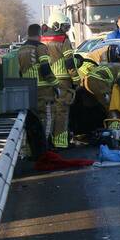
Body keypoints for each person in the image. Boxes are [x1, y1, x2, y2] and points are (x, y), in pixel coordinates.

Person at [17, 23, 57, 157]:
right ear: (40, 34)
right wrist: (57, 84)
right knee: (46, 117)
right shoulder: (40, 47)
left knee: (30, 120)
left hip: (27, 89)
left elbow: (20, 71)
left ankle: (28, 151)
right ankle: (43, 149)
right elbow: (46, 69)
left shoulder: (21, 49)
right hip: (43, 90)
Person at [43, 9, 80, 149]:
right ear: (56, 25)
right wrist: (76, 80)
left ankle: (47, 141)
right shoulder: (63, 40)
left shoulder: (41, 40)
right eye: (65, 27)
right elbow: (69, 63)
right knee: (61, 112)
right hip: (62, 80)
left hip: (45, 80)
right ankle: (60, 142)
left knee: (48, 112)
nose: (66, 30)